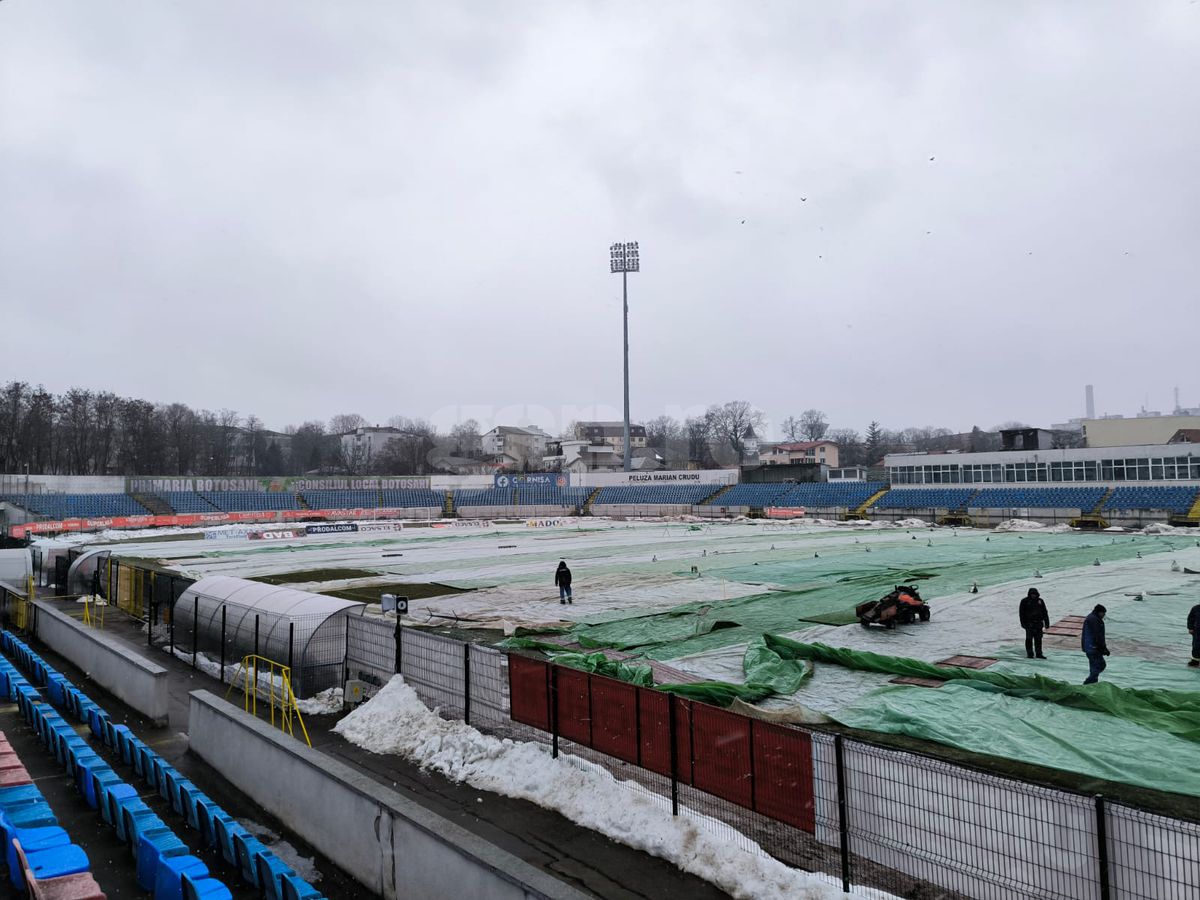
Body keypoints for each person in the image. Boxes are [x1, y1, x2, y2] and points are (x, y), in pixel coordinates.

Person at [1081, 604, 1110, 684]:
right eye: (1103, 613)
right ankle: (1089, 682)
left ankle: (1093, 682)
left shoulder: (1093, 618)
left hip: (1090, 647)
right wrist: (1103, 648)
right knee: (1099, 665)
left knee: (1095, 666)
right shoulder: (1094, 620)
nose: (1104, 615)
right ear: (1099, 612)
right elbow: (1098, 636)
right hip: (1093, 647)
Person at [1019, 588, 1050, 659]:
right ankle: (1030, 653)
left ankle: (1039, 653)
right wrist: (1023, 624)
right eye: (1032, 594)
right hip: (1029, 624)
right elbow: (1021, 613)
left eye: (1035, 594)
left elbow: (1045, 612)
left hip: (1038, 623)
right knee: (1029, 639)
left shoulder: (1040, 601)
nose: (1033, 596)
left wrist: (1047, 623)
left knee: (1038, 639)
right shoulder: (1024, 601)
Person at [1188, 602, 1200, 668]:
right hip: (1197, 631)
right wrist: (1190, 628)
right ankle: (1195, 661)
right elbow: (1190, 619)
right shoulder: (1196, 608)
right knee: (1196, 646)